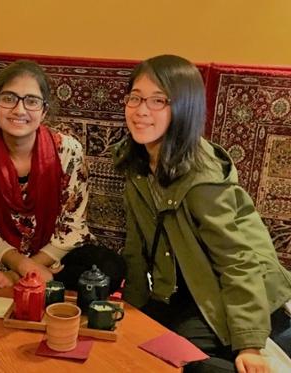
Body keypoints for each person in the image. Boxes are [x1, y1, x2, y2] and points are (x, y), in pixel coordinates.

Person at [114, 54, 291, 373]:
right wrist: (131, 308)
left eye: (158, 101)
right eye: (136, 98)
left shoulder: (200, 178)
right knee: (133, 346)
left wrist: (249, 344)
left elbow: (238, 259)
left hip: (227, 293)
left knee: (178, 360)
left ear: (183, 109)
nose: (141, 110)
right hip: (180, 290)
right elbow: (136, 246)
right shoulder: (137, 163)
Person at [0, 60, 125, 301]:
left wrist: (22, 274)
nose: (19, 110)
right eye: (9, 99)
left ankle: (17, 288)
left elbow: (73, 226)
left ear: (44, 111)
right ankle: (37, 289)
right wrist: (19, 265)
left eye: (31, 101)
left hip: (54, 257)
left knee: (110, 268)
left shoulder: (68, 151)